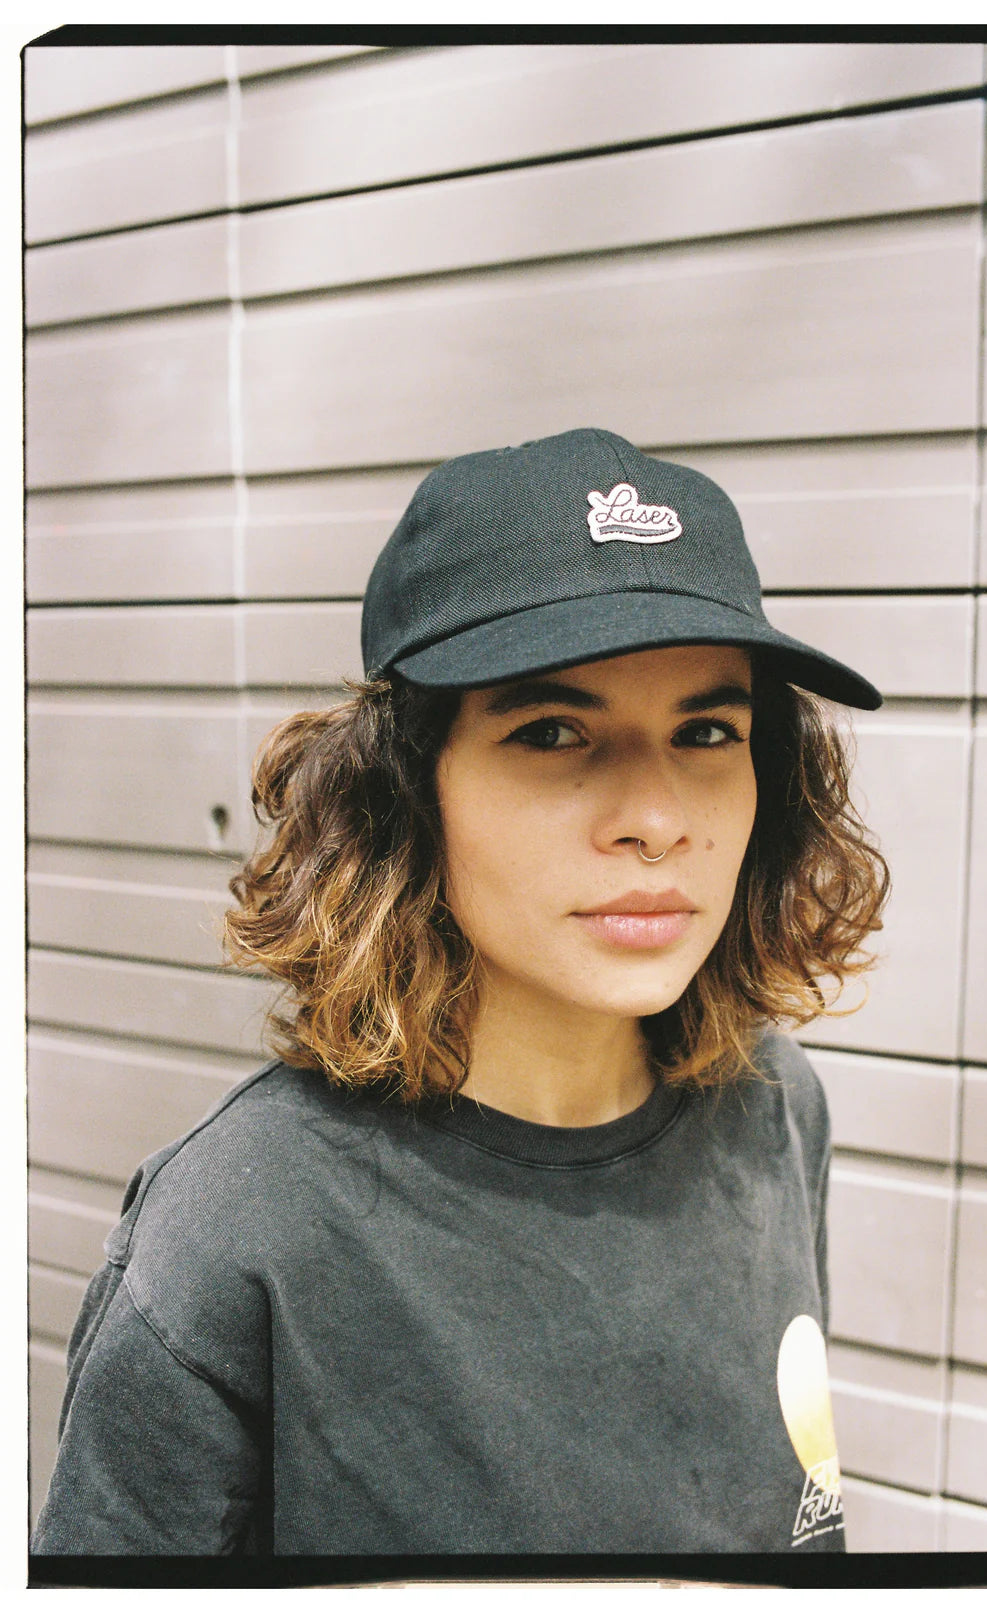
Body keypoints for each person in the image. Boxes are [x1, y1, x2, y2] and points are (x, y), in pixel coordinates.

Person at [31, 428, 888, 1560]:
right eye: (553, 732)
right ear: (406, 788)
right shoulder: (243, 1224)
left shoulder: (772, 1102)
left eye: (707, 731)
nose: (656, 818)